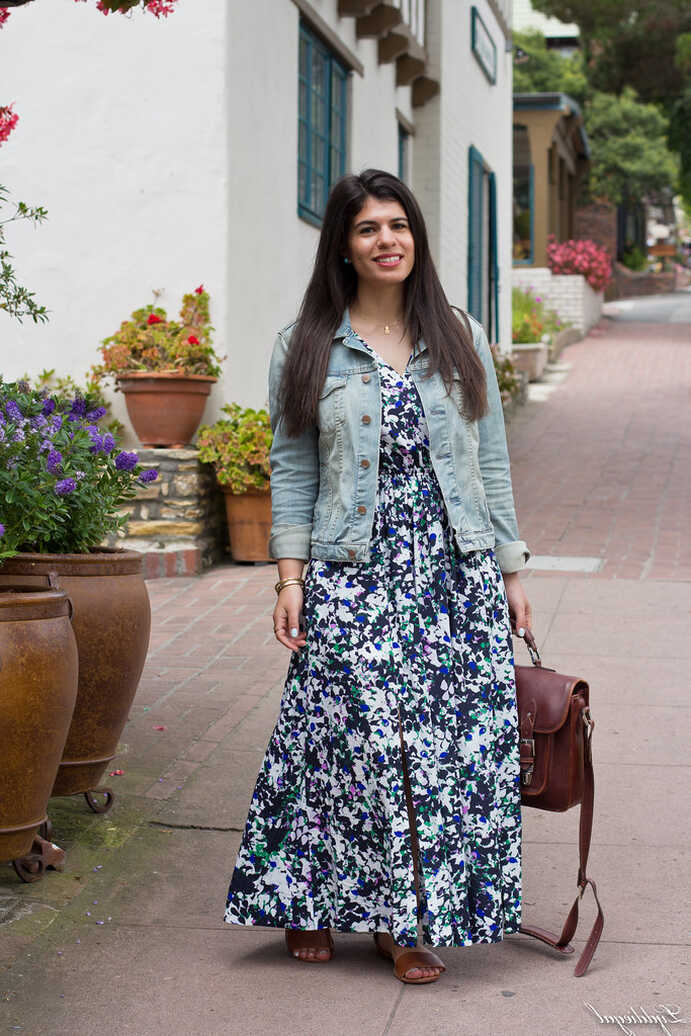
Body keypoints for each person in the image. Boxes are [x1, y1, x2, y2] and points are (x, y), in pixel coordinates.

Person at [224, 169, 531, 985]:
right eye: (367, 229)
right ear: (343, 246)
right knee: (343, 739)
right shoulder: (306, 345)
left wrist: (508, 568)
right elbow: (289, 469)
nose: (387, 240)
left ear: (416, 237)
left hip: (450, 574)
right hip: (351, 570)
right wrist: (288, 577)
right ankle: (307, 899)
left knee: (439, 750)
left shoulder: (456, 334)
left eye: (398, 225)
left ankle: (404, 920)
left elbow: (490, 463)